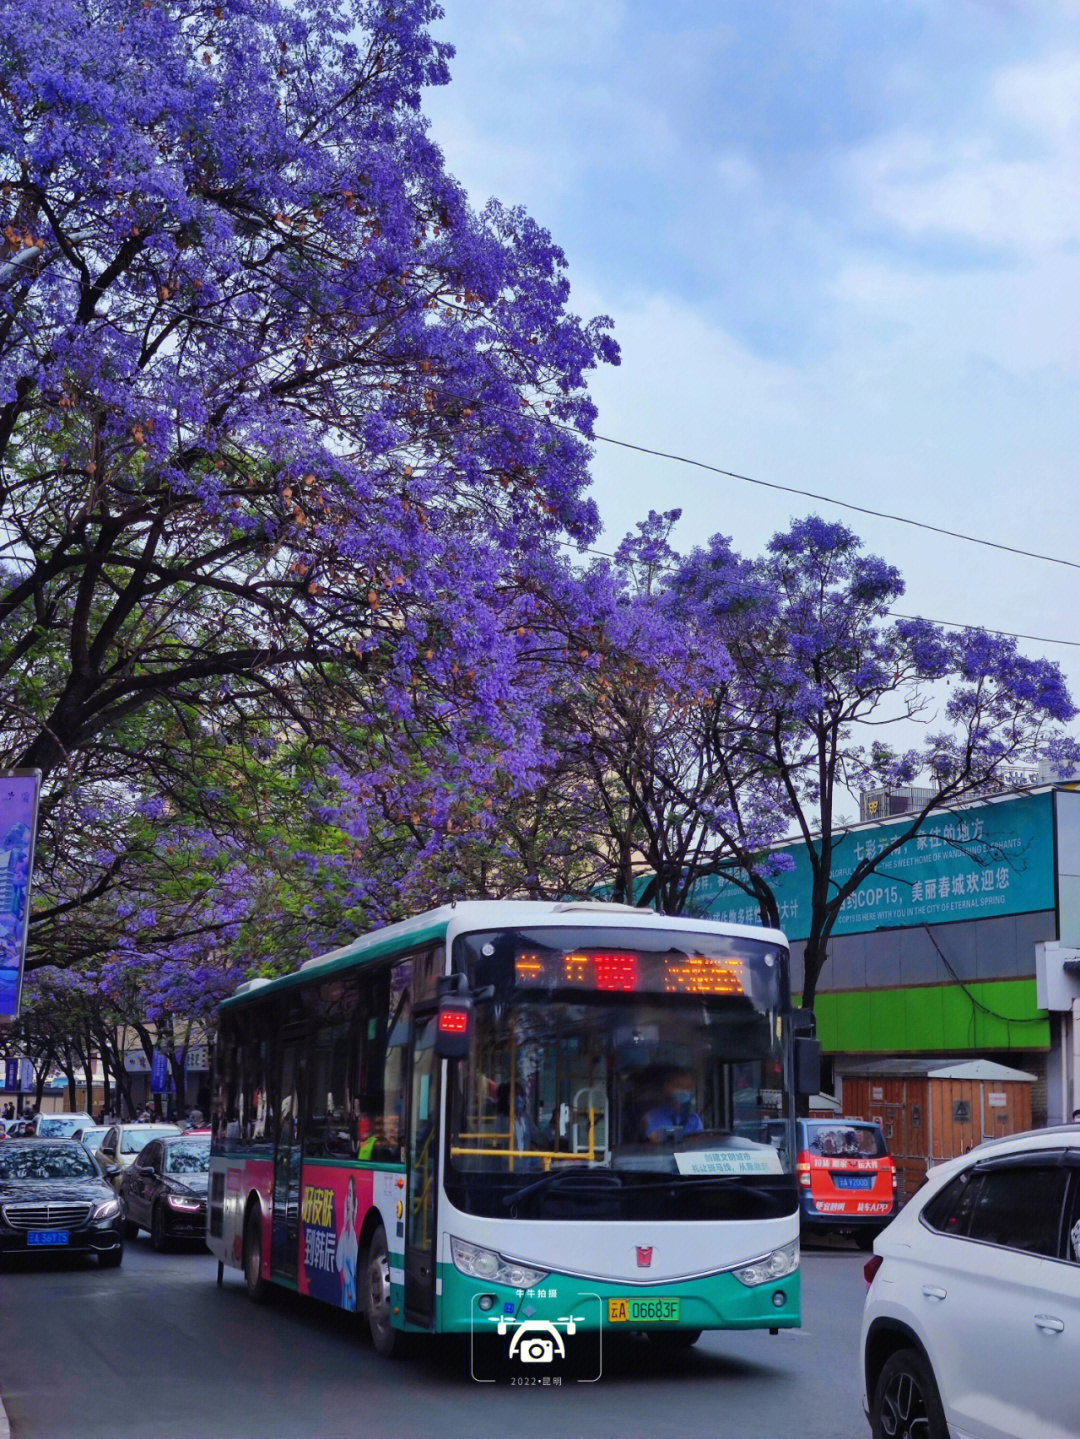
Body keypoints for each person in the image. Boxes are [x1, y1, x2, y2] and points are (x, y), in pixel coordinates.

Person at [644, 1069, 704, 1143]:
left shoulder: (694, 1120)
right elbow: (650, 1146)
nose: (684, 1091)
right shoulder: (653, 1117)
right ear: (667, 1087)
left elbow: (700, 1146)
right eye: (679, 1086)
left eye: (688, 1087)